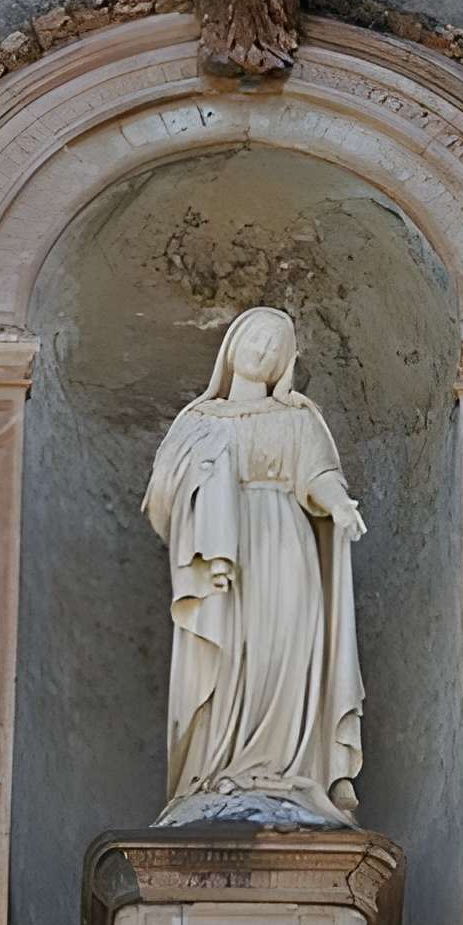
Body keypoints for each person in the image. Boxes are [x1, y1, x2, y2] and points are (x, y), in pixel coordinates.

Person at [143, 307, 366, 824]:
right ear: (232, 344)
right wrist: (205, 483)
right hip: (222, 555)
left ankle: (286, 770)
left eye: (274, 343)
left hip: (284, 544)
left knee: (281, 650)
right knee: (228, 653)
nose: (262, 348)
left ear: (284, 361)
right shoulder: (196, 421)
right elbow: (162, 499)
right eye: (255, 337)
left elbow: (319, 473)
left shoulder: (297, 417)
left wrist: (338, 503)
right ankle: (214, 771)